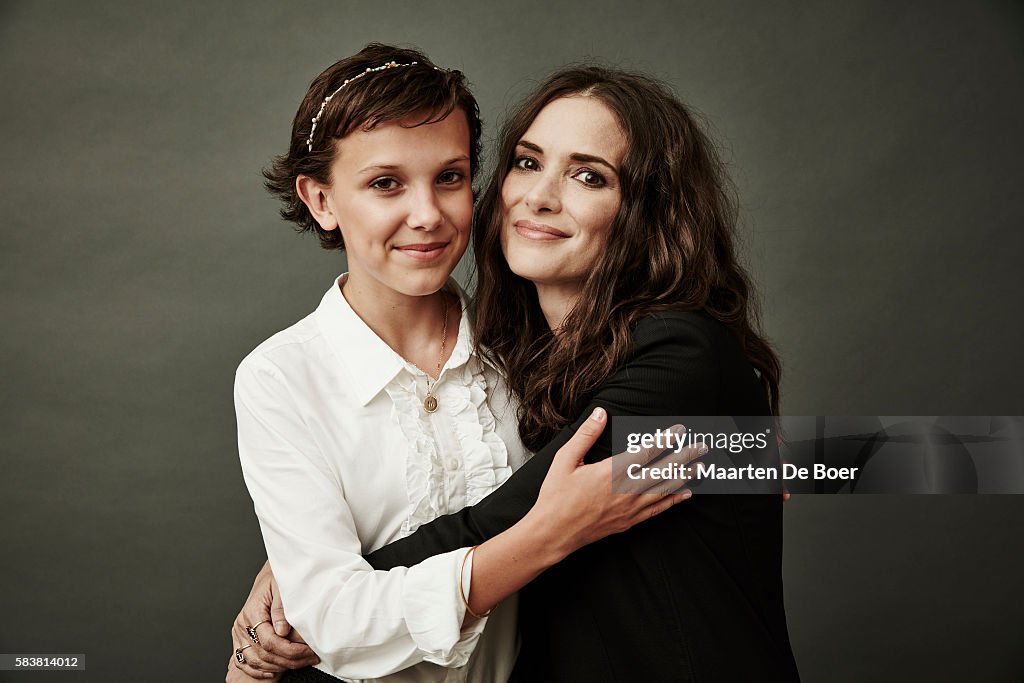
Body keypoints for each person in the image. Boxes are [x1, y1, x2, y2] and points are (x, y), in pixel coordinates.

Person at [240, 62, 802, 681]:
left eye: (589, 176)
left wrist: (307, 601)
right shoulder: (530, 350)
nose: (539, 195)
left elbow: (498, 519)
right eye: (528, 163)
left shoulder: (673, 349)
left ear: (646, 207)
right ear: (321, 200)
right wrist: (305, 567)